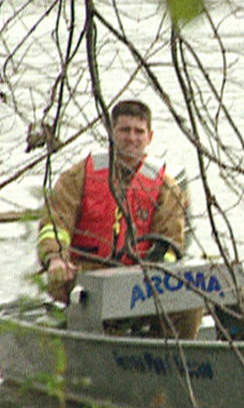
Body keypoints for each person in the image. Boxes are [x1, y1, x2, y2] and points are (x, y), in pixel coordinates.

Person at [37, 99, 201, 339]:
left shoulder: (166, 188)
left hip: (139, 284)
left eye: (138, 131)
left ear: (149, 136)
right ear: (112, 134)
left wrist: (156, 270)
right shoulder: (78, 177)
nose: (131, 138)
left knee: (191, 303)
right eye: (124, 130)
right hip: (84, 279)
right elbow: (54, 224)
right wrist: (55, 259)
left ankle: (168, 359)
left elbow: (171, 244)